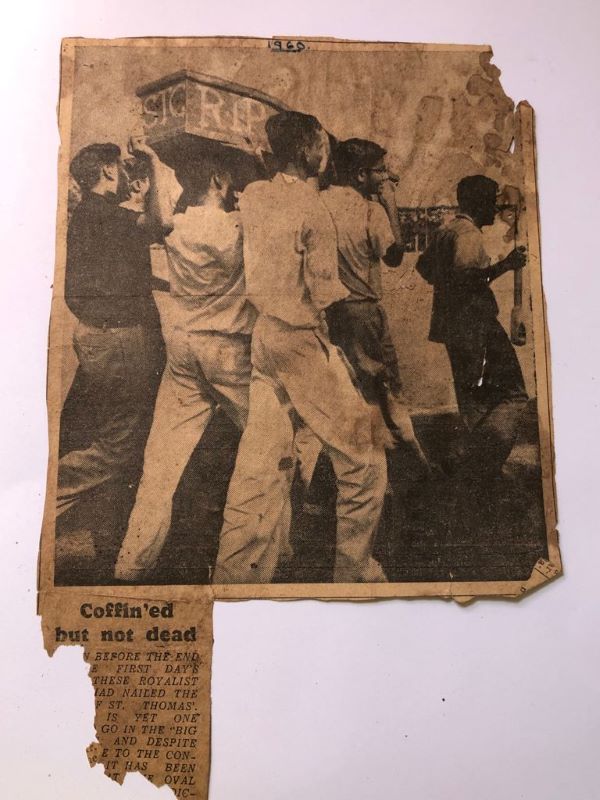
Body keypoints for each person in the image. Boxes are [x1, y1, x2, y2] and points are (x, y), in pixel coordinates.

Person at [213, 111, 389, 585]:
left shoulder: (254, 196)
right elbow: (327, 296)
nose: (324, 152)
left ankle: (235, 581)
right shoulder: (315, 210)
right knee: (367, 463)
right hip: (300, 342)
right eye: (321, 145)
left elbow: (261, 180)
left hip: (264, 340)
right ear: (311, 150)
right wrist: (347, 362)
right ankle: (353, 578)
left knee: (259, 467)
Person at [114, 158, 255, 581]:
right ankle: (265, 557)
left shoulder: (176, 226)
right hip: (230, 352)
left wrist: (156, 165)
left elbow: (157, 217)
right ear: (218, 178)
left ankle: (131, 563)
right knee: (272, 451)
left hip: (184, 349)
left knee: (160, 464)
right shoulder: (237, 228)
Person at [57, 138, 171, 517]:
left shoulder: (91, 214)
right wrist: (154, 162)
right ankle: (37, 494)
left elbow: (117, 271)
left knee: (104, 430)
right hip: (119, 340)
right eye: (123, 165)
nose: (127, 171)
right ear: (108, 170)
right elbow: (162, 223)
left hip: (99, 336)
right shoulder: (107, 214)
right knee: (119, 447)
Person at [321, 137, 431, 475]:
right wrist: (389, 201)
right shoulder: (369, 210)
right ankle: (404, 469)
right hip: (363, 311)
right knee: (383, 389)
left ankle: (389, 464)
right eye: (380, 171)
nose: (385, 177)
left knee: (349, 389)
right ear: (359, 175)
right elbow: (396, 256)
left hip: (330, 311)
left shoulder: (318, 202)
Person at [416, 174, 528, 478]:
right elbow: (467, 280)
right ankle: (470, 459)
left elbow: (423, 267)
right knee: (514, 394)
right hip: (475, 326)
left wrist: (446, 282)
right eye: (492, 201)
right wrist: (505, 265)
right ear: (477, 202)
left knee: (473, 399)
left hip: (453, 327)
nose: (495, 208)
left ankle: (470, 462)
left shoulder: (446, 231)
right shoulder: (468, 235)